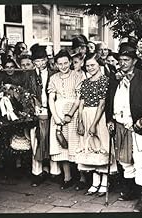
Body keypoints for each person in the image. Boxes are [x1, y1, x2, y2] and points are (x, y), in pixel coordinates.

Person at [106, 42, 142, 212]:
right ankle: (131, 191)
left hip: (138, 126)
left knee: (141, 161)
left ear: (134, 61)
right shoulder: (114, 78)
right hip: (119, 125)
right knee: (123, 160)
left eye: (126, 60)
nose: (122, 63)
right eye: (120, 59)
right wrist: (109, 119)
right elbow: (109, 101)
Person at [77, 53, 118, 197]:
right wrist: (81, 121)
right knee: (90, 147)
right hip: (86, 115)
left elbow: (102, 104)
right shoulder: (85, 82)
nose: (90, 68)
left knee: (102, 146)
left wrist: (94, 124)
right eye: (87, 65)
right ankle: (95, 182)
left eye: (92, 65)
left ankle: (105, 182)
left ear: (99, 64)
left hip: (98, 117)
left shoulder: (105, 80)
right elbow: (81, 103)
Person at [48, 50, 84, 189]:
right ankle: (67, 177)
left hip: (73, 113)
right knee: (62, 145)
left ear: (70, 62)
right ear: (56, 64)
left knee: (75, 145)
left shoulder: (77, 76)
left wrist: (70, 114)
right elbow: (51, 99)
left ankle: (82, 177)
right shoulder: (54, 78)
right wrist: (56, 117)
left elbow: (79, 97)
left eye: (65, 63)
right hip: (58, 113)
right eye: (60, 63)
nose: (63, 66)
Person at [26, 45, 60, 186]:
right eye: (36, 61)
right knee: (36, 141)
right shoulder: (29, 75)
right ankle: (37, 172)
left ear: (46, 60)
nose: (39, 64)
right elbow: (26, 94)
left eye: (42, 60)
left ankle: (55, 171)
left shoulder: (54, 73)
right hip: (36, 113)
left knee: (52, 141)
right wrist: (33, 105)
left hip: (52, 111)